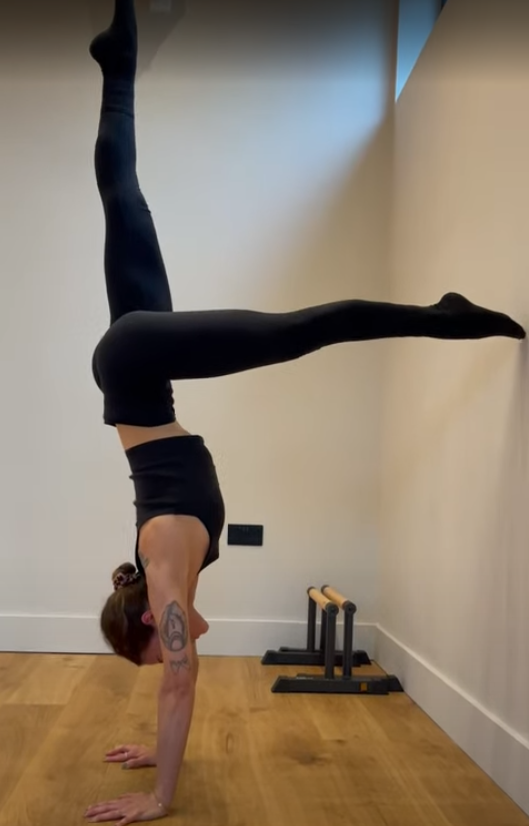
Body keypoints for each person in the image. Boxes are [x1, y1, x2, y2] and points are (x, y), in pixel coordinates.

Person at [83, 1, 525, 822]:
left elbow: (179, 683)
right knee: (124, 201)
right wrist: (154, 747)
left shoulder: (165, 570)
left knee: (298, 331)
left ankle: (443, 316)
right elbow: (175, 680)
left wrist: (159, 793)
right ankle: (119, 66)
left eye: (150, 652)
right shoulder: (162, 572)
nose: (170, 655)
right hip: (136, 372)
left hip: (137, 361)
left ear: (149, 620)